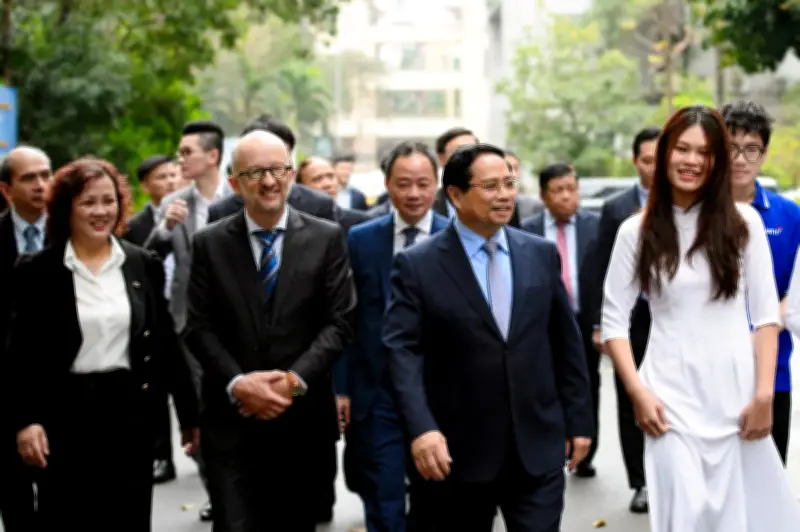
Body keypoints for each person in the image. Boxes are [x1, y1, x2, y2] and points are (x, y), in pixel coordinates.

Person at [602, 105, 800, 531]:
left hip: (737, 400)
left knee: (740, 521)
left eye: (705, 153)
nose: (691, 161)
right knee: (682, 518)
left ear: (717, 162)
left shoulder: (745, 223)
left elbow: (767, 316)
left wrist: (763, 396)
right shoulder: (634, 232)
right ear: (665, 152)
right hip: (668, 403)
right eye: (682, 148)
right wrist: (637, 392)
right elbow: (614, 322)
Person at [382, 143, 593, 531]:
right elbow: (402, 353)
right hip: (456, 452)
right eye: (490, 186)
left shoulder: (540, 254)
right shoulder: (418, 265)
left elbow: (566, 343)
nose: (504, 195)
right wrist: (422, 428)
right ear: (456, 195)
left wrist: (579, 420)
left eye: (509, 184)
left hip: (537, 446)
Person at [7, 157, 199, 532]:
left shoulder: (141, 263)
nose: (101, 211)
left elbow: (165, 343)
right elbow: (19, 355)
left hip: (130, 413)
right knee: (65, 518)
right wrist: (25, 422)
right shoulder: (38, 270)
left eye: (109, 200)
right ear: (67, 208)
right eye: (88, 202)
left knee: (127, 517)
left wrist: (189, 415)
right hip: (63, 416)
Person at [184, 130, 356, 532]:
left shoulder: (326, 238)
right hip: (232, 419)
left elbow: (340, 322)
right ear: (234, 183)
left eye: (277, 170)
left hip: (302, 421)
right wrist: (239, 383)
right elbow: (198, 326)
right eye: (254, 173)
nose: (268, 182)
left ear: (291, 174)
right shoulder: (210, 243)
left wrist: (291, 383)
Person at [336, 141, 448, 532]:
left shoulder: (457, 238)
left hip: (438, 391)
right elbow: (346, 318)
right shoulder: (361, 239)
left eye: (423, 183)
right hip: (377, 388)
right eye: (403, 183)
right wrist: (341, 387)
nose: (414, 193)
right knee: (383, 502)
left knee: (436, 501)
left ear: (437, 184)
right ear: (387, 185)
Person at [720, 100, 800, 465]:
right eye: (731, 147)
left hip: (771, 374)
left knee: (768, 477)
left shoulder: (790, 216)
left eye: (751, 149)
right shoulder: (693, 213)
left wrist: (765, 325)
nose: (740, 159)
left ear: (764, 154)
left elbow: (795, 293)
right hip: (709, 373)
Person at [591, 126, 660, 513]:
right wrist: (600, 324)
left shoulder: (687, 203)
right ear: (635, 161)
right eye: (647, 160)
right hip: (631, 319)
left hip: (670, 317)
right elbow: (602, 267)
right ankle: (640, 481)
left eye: (660, 159)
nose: (654, 167)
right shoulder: (617, 209)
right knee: (630, 395)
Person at [520, 162, 600, 477]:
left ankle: (585, 450)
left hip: (585, 319)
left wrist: (600, 323)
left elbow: (605, 277)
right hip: (544, 322)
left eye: (571, 189)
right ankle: (552, 446)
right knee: (546, 381)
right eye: (558, 190)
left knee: (587, 382)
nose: (566, 196)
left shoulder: (595, 226)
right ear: (543, 195)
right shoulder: (527, 229)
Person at [0, 145, 52, 531]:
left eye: (46, 175)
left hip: (64, 391)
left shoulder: (75, 233)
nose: (40, 185)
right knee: (15, 502)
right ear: (6, 189)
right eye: (29, 178)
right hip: (5, 391)